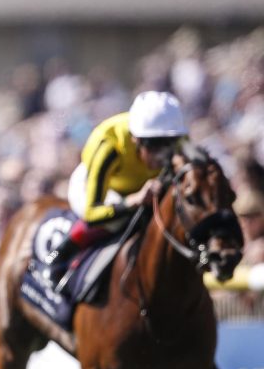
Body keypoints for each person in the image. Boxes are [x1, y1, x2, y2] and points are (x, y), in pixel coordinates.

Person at [46, 90, 189, 290]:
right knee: (118, 221)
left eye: (168, 145)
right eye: (154, 146)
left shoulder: (179, 141)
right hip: (99, 188)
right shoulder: (109, 147)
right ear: (135, 139)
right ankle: (60, 254)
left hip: (142, 184)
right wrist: (133, 200)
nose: (162, 156)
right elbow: (93, 212)